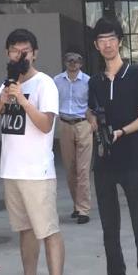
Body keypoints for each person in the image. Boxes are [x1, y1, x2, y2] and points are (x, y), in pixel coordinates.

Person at [0, 29, 66, 275]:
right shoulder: (6, 84)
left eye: (25, 51)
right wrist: (4, 99)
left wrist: (24, 100)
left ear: (35, 53)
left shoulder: (45, 84)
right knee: (25, 230)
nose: (20, 56)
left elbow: (45, 125)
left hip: (37, 172)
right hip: (11, 170)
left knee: (48, 231)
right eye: (14, 51)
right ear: (7, 54)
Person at [86, 16, 138, 275]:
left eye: (111, 39)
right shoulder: (94, 81)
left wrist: (120, 132)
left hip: (132, 159)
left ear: (119, 41)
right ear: (96, 45)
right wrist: (92, 120)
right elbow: (90, 111)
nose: (107, 44)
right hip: (104, 162)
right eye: (101, 40)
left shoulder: (137, 75)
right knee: (109, 226)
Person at [54, 51, 92, 224]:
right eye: (69, 60)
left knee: (83, 169)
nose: (73, 63)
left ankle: (84, 209)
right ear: (65, 62)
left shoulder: (88, 81)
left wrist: (93, 122)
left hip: (83, 124)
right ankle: (77, 205)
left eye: (76, 61)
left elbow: (93, 104)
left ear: (81, 63)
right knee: (70, 168)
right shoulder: (56, 81)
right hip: (65, 124)